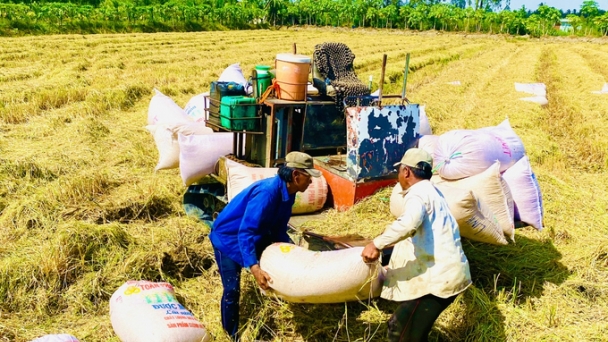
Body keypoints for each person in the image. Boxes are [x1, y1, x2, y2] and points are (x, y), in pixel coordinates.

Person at [361, 148, 472, 342]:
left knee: (400, 331)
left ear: (406, 172)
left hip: (437, 282)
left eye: (399, 171)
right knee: (411, 332)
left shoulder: (417, 194)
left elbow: (409, 223)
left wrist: (376, 244)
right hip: (447, 275)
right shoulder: (434, 192)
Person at [209, 151, 320, 341]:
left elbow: (278, 228)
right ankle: (230, 335)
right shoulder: (267, 193)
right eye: (308, 177)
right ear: (296, 175)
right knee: (232, 289)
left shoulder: (289, 193)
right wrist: (255, 268)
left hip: (253, 235)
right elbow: (246, 232)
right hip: (228, 238)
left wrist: (295, 252)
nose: (311, 182)